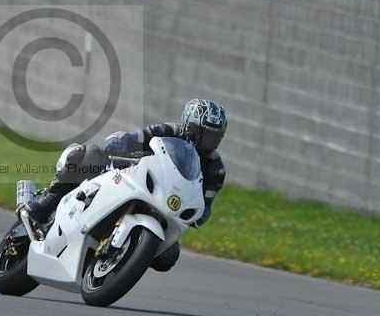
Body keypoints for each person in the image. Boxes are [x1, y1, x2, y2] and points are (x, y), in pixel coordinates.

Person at [21, 99, 227, 271]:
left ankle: (125, 257)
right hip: (130, 176)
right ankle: (48, 200)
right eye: (205, 134)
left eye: (215, 137)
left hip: (162, 204)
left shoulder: (215, 170)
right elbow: (138, 137)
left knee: (169, 256)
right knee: (90, 155)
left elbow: (205, 205)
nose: (210, 141)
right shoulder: (167, 131)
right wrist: (123, 141)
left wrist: (198, 214)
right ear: (189, 126)